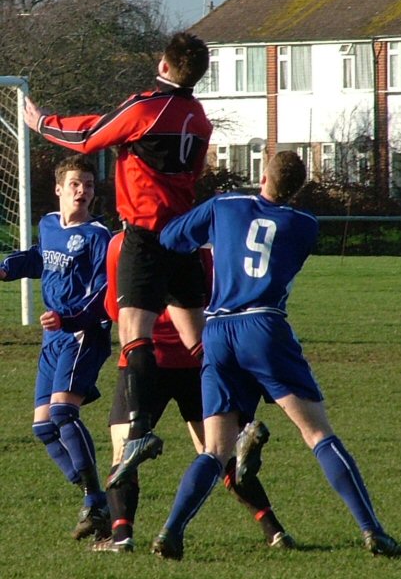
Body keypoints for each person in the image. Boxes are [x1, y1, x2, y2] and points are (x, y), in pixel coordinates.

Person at [151, 150, 401, 559]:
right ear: (298, 188)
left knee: (215, 450)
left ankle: (171, 531)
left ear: (262, 174)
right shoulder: (304, 224)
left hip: (217, 329)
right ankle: (372, 530)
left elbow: (170, 238)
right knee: (317, 433)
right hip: (263, 327)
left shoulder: (224, 206)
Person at [23, 32, 213, 484]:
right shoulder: (200, 117)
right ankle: (239, 415)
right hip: (185, 235)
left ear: (164, 65)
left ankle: (141, 428)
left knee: (133, 332)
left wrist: (43, 123)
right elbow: (195, 170)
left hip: (147, 237)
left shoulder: (148, 106)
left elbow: (90, 135)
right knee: (198, 340)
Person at [90, 231, 294, 553]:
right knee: (219, 452)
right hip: (198, 362)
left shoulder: (121, 245)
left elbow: (117, 311)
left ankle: (121, 538)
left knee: (124, 451)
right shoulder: (202, 254)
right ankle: (275, 532)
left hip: (144, 364)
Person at [0, 154, 113, 540]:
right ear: (59, 189)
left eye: (90, 185)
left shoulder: (100, 236)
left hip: (82, 334)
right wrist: (7, 267)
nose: (83, 191)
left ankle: (97, 501)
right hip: (54, 337)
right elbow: (38, 258)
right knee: (43, 428)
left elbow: (104, 292)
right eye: (76, 184)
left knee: (64, 412)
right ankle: (96, 497)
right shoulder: (49, 224)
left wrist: (69, 319)